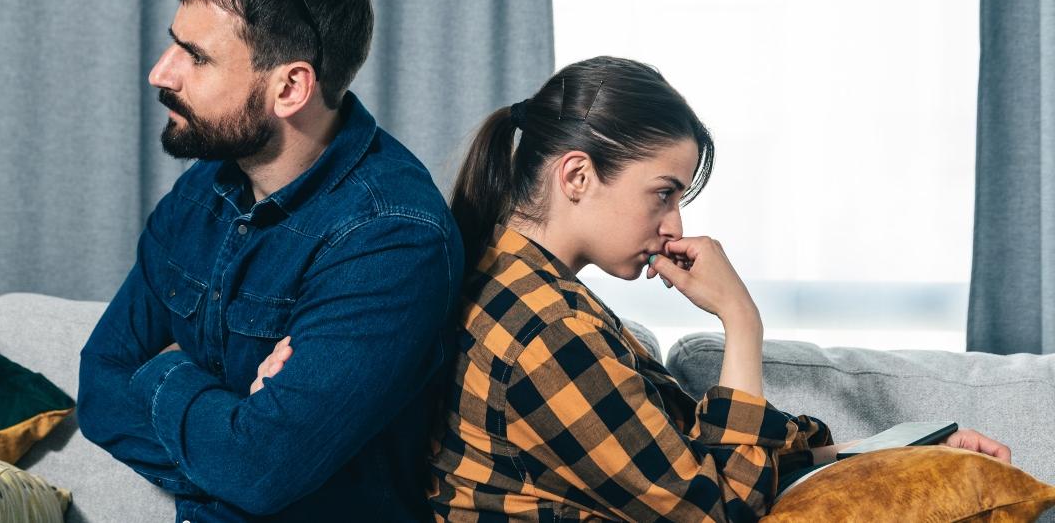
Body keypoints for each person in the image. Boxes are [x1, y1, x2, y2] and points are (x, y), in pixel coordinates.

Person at [427, 56, 1010, 521]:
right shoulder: (547, 335)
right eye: (663, 192)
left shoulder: (524, 288)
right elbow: (715, 509)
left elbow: (698, 461)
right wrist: (740, 318)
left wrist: (901, 449)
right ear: (578, 176)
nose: (675, 226)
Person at [77, 0, 463, 522]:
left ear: (290, 87)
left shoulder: (391, 236)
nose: (160, 72)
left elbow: (260, 471)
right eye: (174, 43)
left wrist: (166, 369)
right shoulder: (202, 191)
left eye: (196, 57)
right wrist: (231, 432)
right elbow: (98, 386)